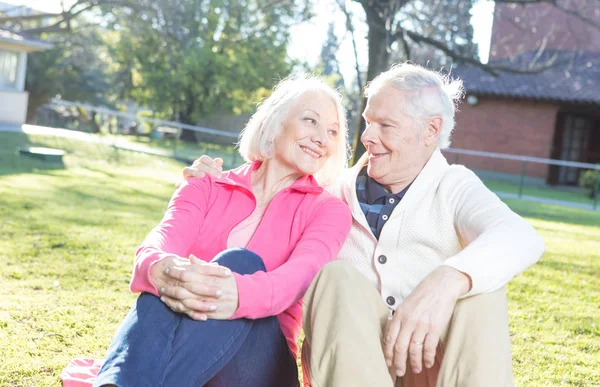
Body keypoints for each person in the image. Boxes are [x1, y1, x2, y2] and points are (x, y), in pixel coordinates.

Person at [184, 63, 545, 387]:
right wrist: (209, 185)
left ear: (430, 130)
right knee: (337, 277)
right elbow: (257, 236)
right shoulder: (327, 197)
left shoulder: (453, 186)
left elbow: (519, 237)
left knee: (482, 292)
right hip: (351, 370)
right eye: (368, 122)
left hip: (435, 371)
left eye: (385, 125)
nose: (367, 137)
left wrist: (447, 281)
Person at [91, 75, 352, 387]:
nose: (323, 138)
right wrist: (159, 267)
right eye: (311, 120)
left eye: (333, 132)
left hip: (259, 366)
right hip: (191, 354)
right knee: (167, 280)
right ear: (273, 123)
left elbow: (299, 277)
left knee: (241, 262)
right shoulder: (205, 183)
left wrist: (237, 293)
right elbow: (163, 239)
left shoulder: (330, 211)